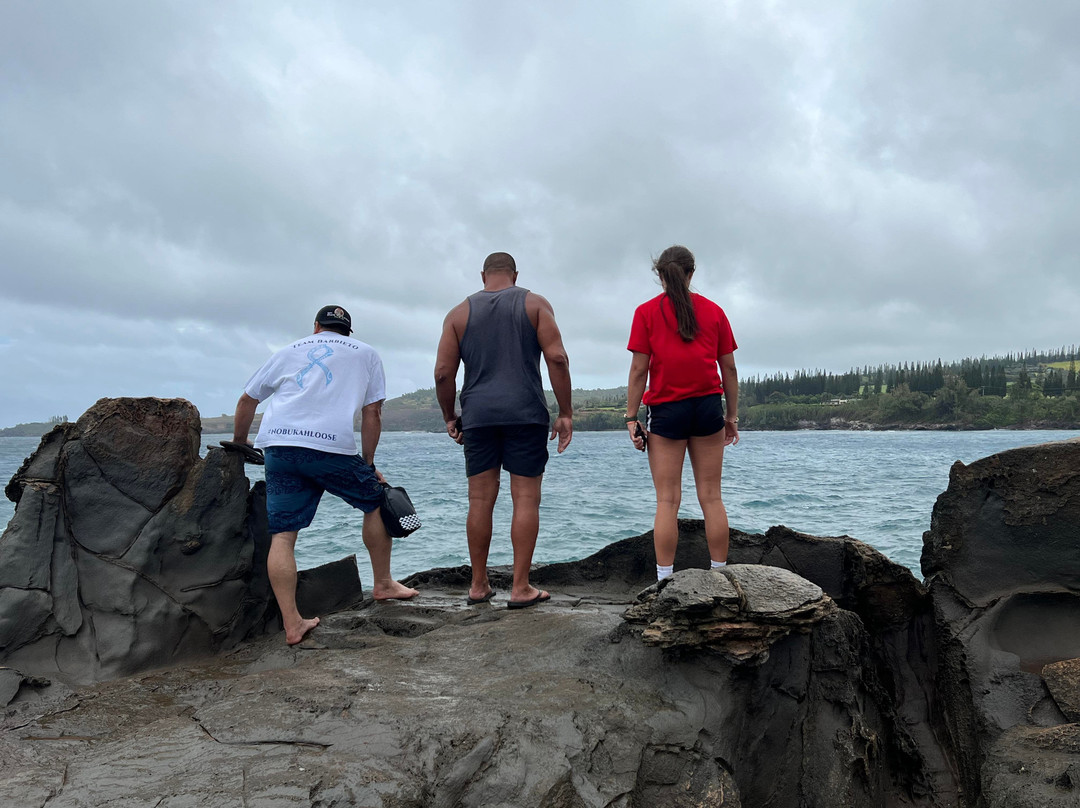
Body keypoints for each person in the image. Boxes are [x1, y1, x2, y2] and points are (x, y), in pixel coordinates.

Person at [232, 305, 418, 645]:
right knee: (375, 500)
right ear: (348, 332)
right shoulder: (366, 354)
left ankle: (292, 624)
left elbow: (248, 400)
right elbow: (372, 412)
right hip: (330, 447)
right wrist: (369, 462)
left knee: (283, 535)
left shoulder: (288, 351)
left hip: (280, 446)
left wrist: (241, 443)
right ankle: (383, 584)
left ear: (316, 327)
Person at [434, 252, 573, 609]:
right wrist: (566, 412)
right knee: (525, 499)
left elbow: (442, 373)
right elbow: (557, 357)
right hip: (525, 414)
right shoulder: (535, 304)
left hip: (478, 416)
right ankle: (520, 587)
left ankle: (478, 586)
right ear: (514, 274)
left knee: (480, 500)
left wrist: (451, 416)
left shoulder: (458, 314)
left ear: (483, 276)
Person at [625, 245, 739, 582]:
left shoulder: (646, 313)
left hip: (666, 412)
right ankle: (721, 575)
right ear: (691, 273)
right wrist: (730, 418)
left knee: (667, 500)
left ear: (660, 275)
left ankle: (664, 581)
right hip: (707, 408)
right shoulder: (714, 311)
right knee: (712, 497)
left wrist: (631, 417)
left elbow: (637, 371)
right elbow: (729, 370)